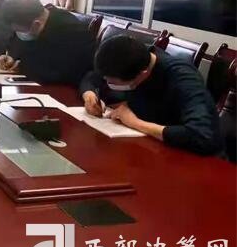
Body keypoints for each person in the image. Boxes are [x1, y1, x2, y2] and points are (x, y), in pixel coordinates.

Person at [80, 35, 223, 156]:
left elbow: (202, 136)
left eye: (112, 82)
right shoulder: (134, 56)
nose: (107, 83)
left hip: (189, 160)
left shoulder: (183, 79)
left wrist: (135, 122)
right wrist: (89, 94)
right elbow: (92, 77)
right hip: (144, 148)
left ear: (142, 75)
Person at [0, 0, 96, 85]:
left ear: (36, 24)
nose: (19, 34)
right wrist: (10, 58)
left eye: (20, 31)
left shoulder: (71, 30)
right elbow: (17, 45)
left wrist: (23, 67)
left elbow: (63, 72)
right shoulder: (28, 21)